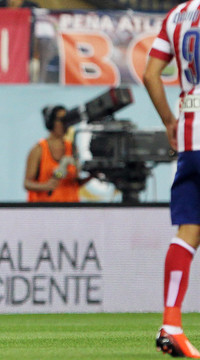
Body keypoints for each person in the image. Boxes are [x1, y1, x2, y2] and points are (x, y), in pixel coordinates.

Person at [144, 1, 200, 358]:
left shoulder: (177, 14)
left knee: (189, 231)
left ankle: (172, 326)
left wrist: (169, 121)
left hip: (190, 132)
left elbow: (151, 74)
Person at [24, 105, 87, 202]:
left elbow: (76, 182)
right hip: (45, 210)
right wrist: (46, 186)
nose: (65, 124)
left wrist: (93, 175)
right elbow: (27, 183)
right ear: (51, 123)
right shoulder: (39, 149)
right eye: (61, 120)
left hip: (71, 210)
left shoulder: (72, 148)